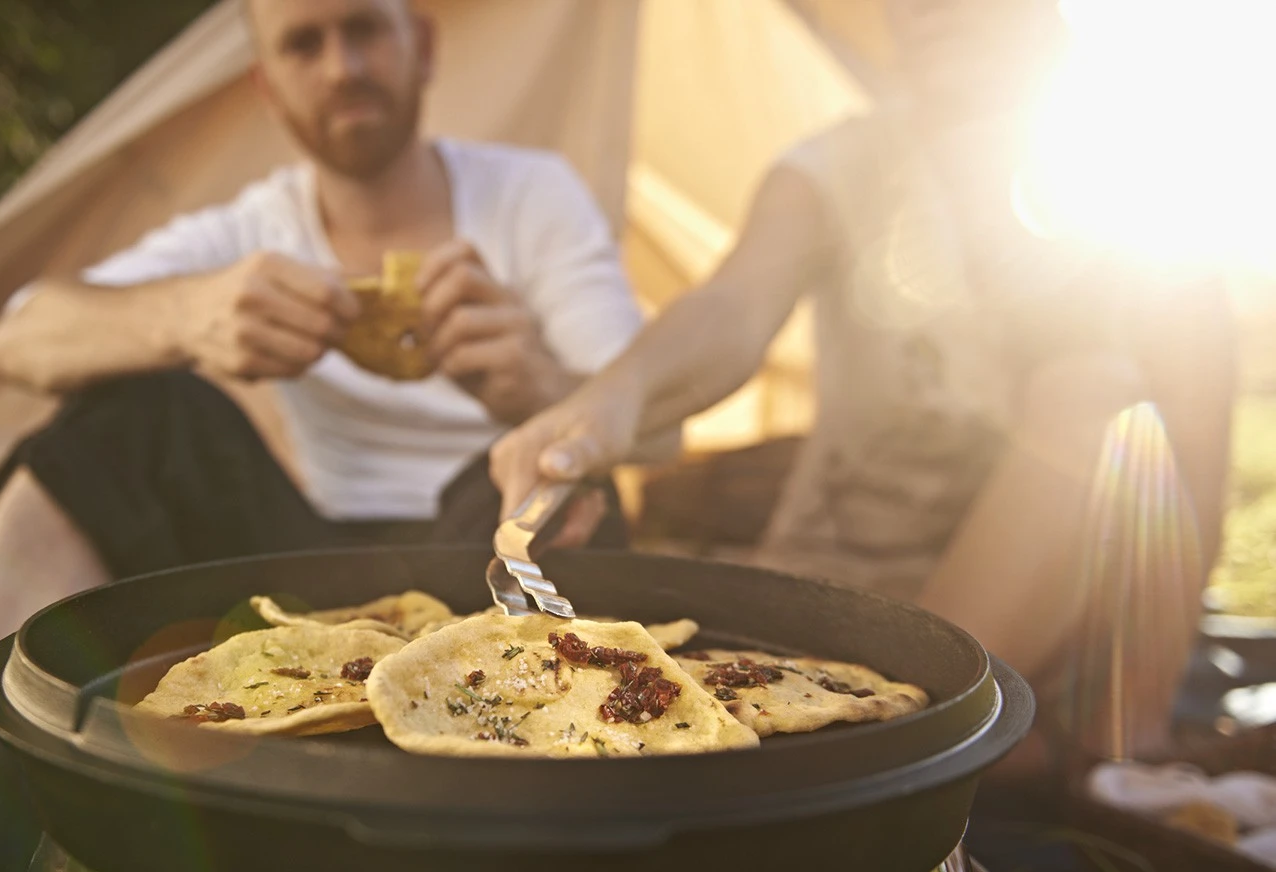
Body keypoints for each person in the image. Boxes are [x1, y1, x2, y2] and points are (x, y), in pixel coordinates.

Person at [490, 0, 1235, 760]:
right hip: (831, 613)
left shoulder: (1137, 192)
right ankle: (959, 741)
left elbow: (1193, 474)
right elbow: (732, 306)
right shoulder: (847, 166)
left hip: (1046, 647)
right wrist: (612, 397)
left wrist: (1132, 730)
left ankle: (944, 737)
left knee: (1097, 397)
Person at [0, 0, 640, 678]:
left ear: (421, 47)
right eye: (304, 44)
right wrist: (186, 317)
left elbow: (656, 424)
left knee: (571, 480)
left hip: (489, 538)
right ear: (266, 85)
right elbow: (18, 335)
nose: (342, 69)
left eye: (364, 28)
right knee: (137, 419)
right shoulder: (253, 231)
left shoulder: (533, 196)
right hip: (301, 551)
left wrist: (541, 386)